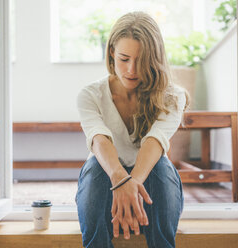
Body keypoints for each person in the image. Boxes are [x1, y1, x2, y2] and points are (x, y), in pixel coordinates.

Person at [75, 11, 190, 248]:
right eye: (124, 58)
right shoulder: (90, 95)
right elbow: (98, 139)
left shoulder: (171, 96)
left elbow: (155, 141)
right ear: (111, 53)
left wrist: (132, 185)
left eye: (142, 60)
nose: (132, 70)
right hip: (105, 181)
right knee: (97, 165)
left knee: (160, 165)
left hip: (151, 187)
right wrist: (120, 181)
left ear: (155, 59)